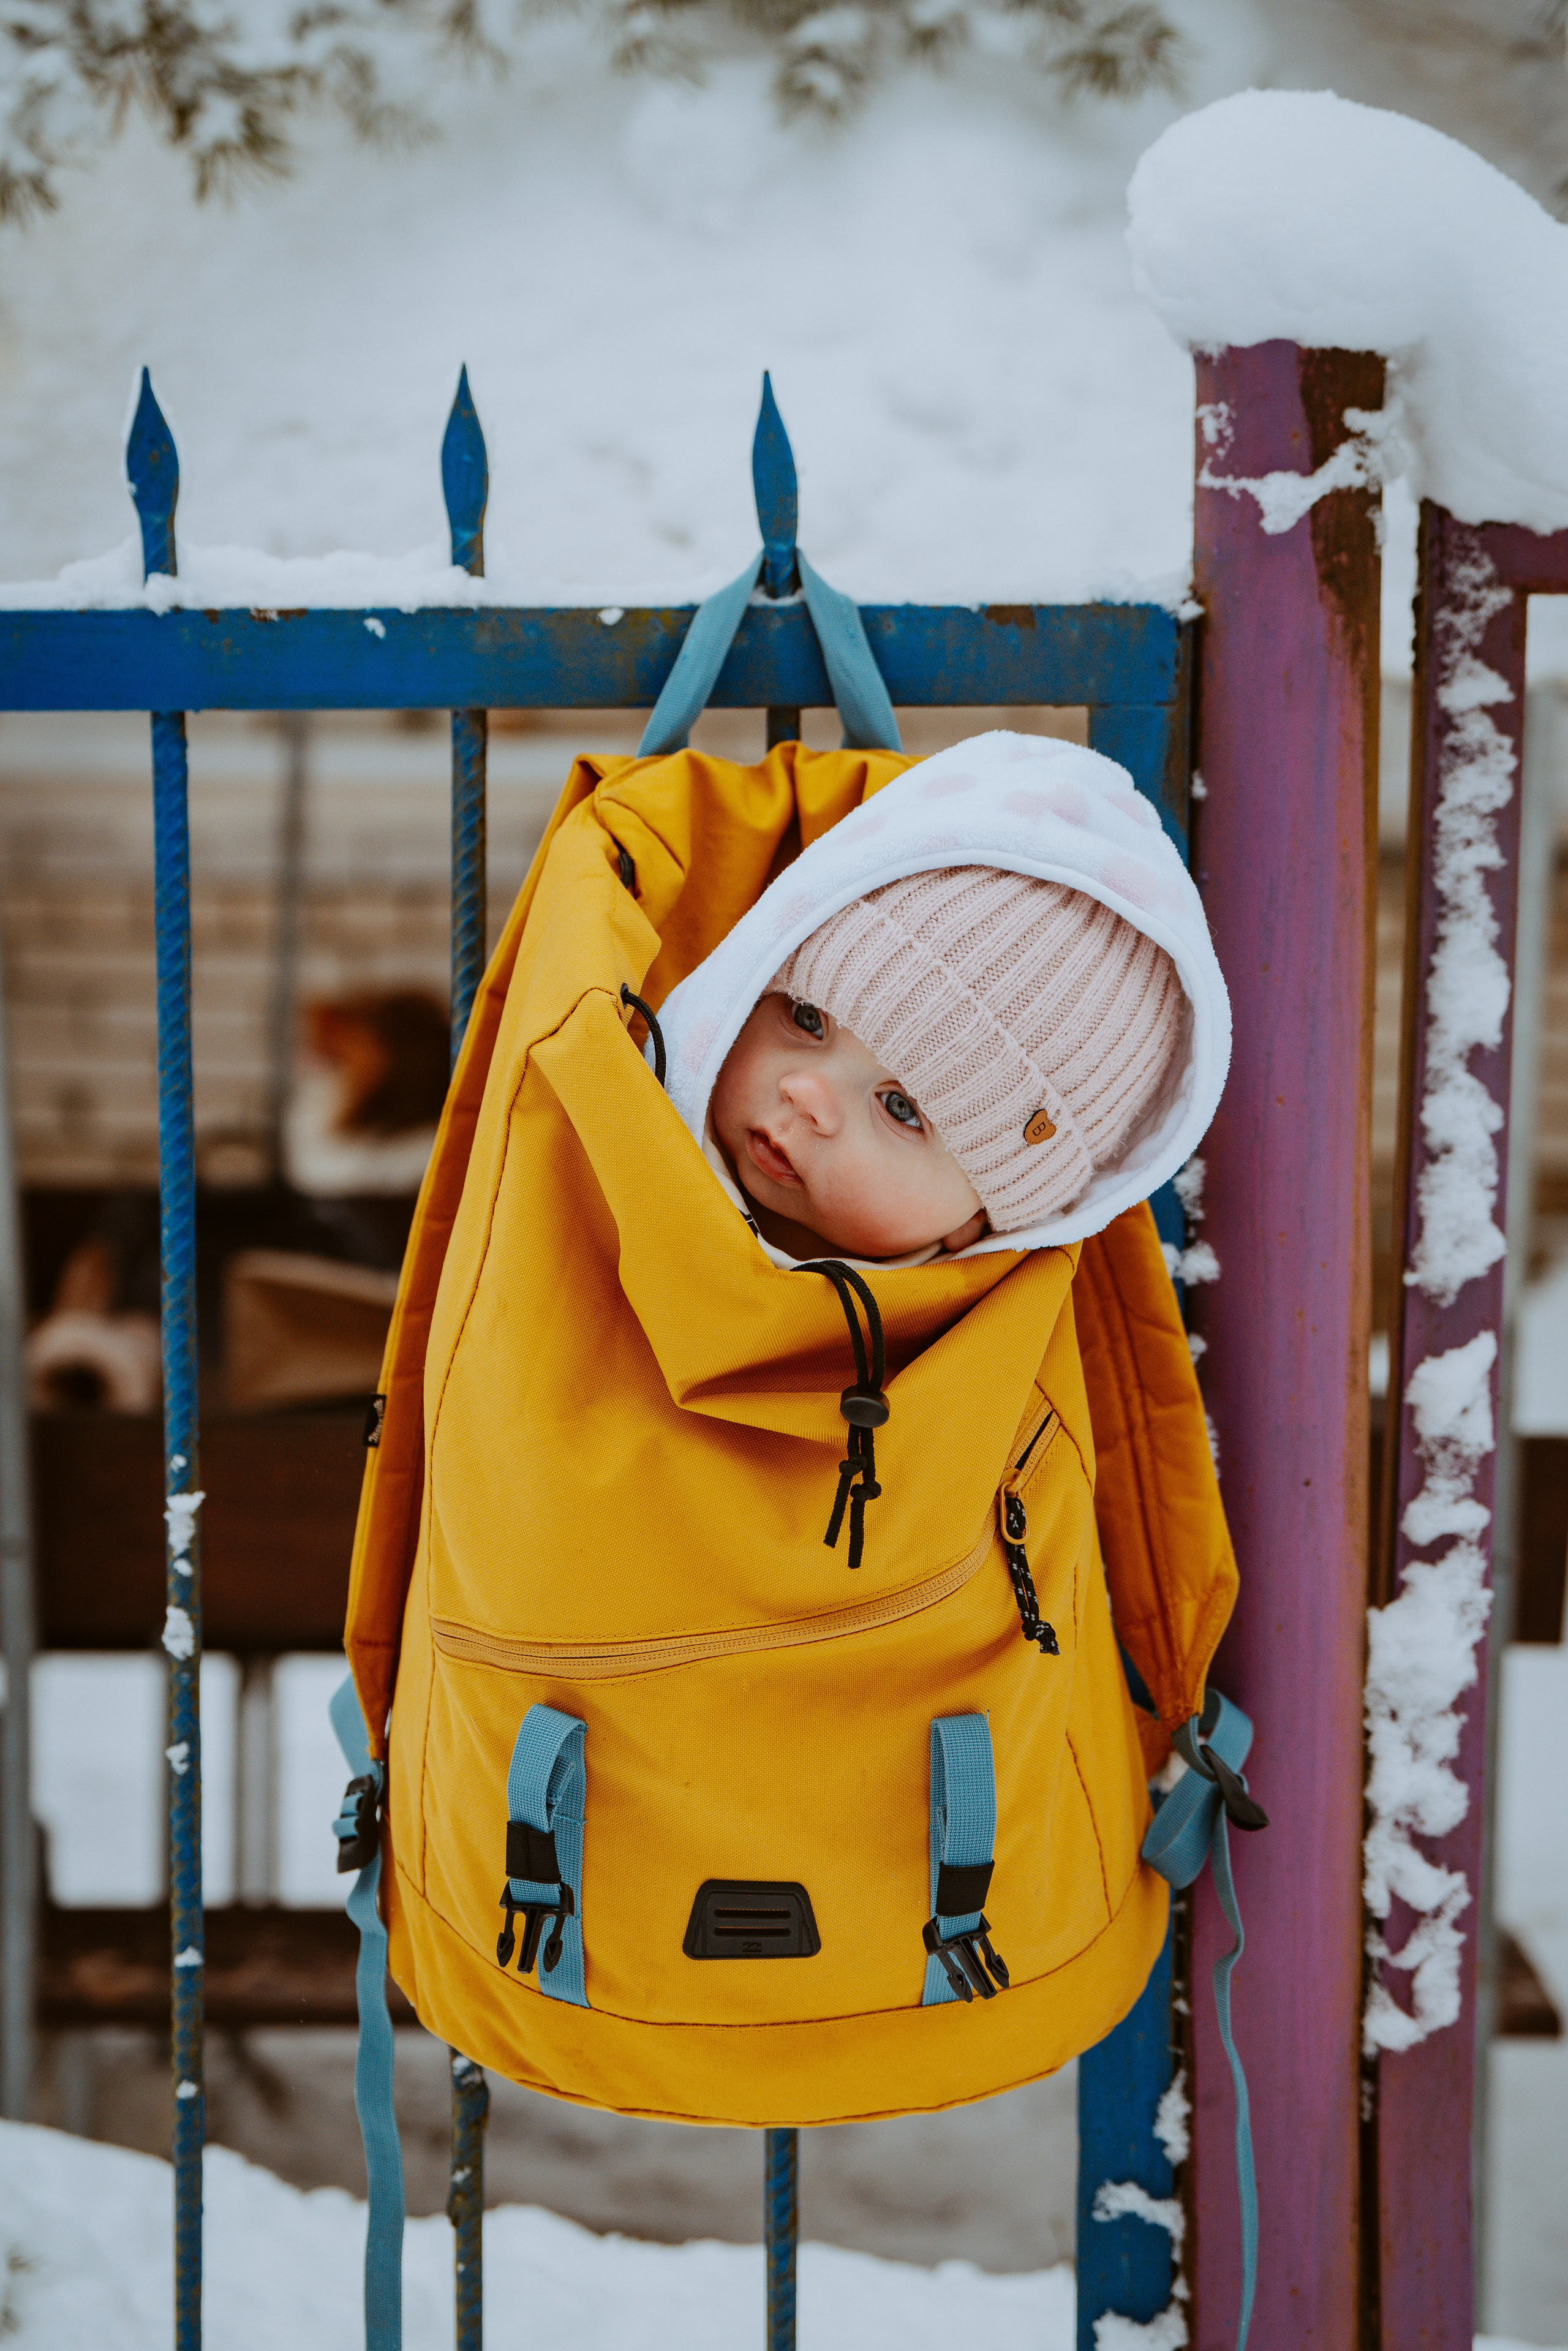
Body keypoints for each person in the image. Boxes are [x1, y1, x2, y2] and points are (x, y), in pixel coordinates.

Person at [706, 865, 1185, 1267]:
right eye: (807, 1019)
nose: (806, 1091)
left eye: (900, 1108)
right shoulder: (655, 1108)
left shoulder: (976, 1344)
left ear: (976, 1219)